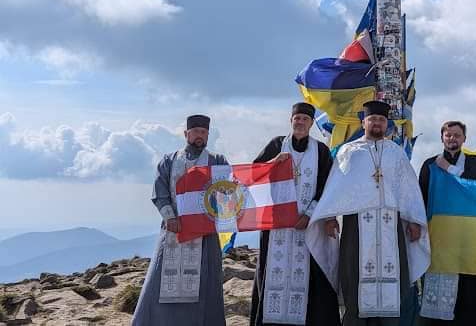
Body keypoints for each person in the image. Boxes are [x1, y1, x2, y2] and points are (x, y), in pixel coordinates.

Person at [305, 100, 430, 325]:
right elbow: (336, 188)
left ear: (386, 124)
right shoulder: (349, 152)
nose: (377, 124)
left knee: (395, 278)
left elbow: (408, 190)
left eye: (381, 120)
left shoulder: (396, 153)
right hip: (357, 225)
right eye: (372, 119)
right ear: (364, 122)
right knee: (355, 277)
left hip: (391, 224)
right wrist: (330, 216)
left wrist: (413, 220)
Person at [249, 102, 340, 325]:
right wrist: (272, 163)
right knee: (271, 274)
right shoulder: (277, 144)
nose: (300, 122)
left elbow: (326, 185)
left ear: (311, 124)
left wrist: (308, 214)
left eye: (305, 119)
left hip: (307, 224)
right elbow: (254, 174)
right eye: (297, 118)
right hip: (277, 226)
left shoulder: (320, 150)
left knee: (311, 276)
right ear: (291, 121)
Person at [133, 114, 229, 326]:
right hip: (173, 229)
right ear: (186, 133)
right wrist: (169, 216)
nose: (199, 136)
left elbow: (229, 188)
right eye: (195, 131)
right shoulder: (169, 160)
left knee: (206, 280)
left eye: (203, 132)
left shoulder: (218, 161)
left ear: (208, 135)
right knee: (160, 279)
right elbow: (160, 191)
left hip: (205, 234)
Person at [417, 121, 476, 325]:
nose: (452, 139)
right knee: (436, 280)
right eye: (448, 135)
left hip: (465, 233)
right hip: (438, 234)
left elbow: (472, 187)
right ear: (442, 138)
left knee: (467, 283)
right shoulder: (429, 164)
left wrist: (448, 168)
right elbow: (420, 197)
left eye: (457, 135)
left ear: (464, 138)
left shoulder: (474, 162)